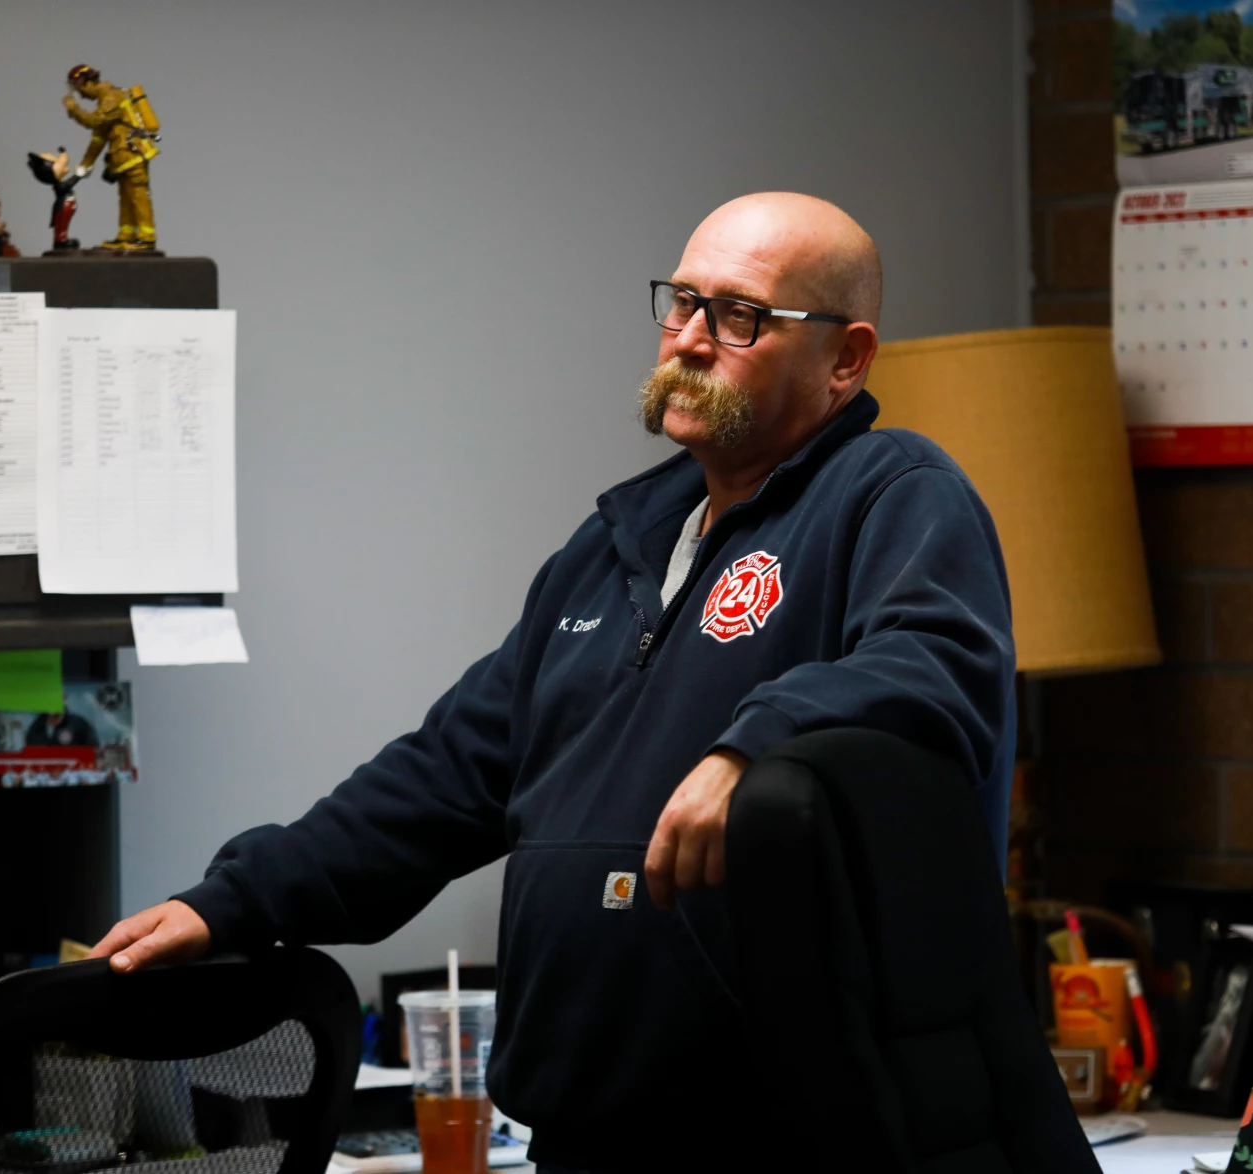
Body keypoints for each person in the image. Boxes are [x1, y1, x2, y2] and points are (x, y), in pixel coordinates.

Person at [91, 193, 1018, 1168]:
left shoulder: (890, 492)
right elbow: (447, 776)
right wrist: (231, 901)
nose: (692, 340)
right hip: (582, 1137)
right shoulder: (612, 544)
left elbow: (934, 665)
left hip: (790, 1139)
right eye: (681, 303)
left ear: (845, 357)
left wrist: (757, 741)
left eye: (739, 316)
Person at [62, 65, 160, 252]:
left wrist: (74, 110)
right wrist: (86, 163)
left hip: (133, 154)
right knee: (125, 197)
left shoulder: (111, 97)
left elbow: (94, 122)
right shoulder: (106, 102)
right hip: (122, 157)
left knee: (138, 196)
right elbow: (99, 137)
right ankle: (126, 235)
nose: (81, 94)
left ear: (89, 82)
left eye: (80, 88)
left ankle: (147, 237)